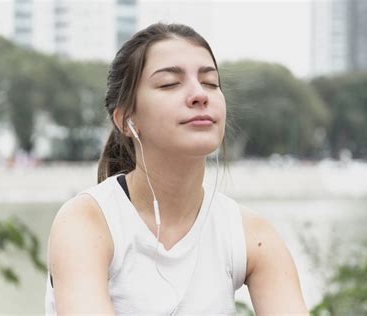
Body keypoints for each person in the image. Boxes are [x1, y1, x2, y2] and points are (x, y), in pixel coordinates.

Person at [45, 23, 308, 315]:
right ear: (127, 120)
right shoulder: (88, 222)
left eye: (210, 82)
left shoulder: (250, 234)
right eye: (170, 83)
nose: (200, 95)